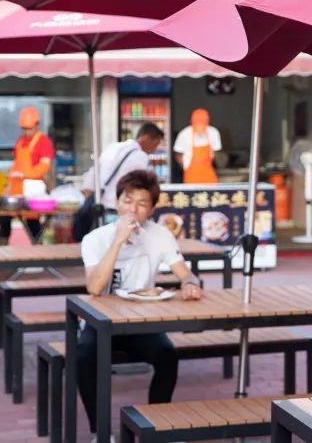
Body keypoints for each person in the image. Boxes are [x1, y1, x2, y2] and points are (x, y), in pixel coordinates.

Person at [78, 169, 202, 440]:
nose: (132, 210)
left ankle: (156, 427)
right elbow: (94, 288)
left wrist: (189, 283)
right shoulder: (95, 239)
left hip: (140, 323)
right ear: (116, 202)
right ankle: (101, 433)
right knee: (84, 356)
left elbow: (186, 273)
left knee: (167, 355)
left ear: (152, 209)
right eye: (127, 200)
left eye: (142, 203)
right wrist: (118, 241)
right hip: (100, 323)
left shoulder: (160, 235)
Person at [81, 123, 165, 212]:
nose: (155, 149)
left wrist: (89, 200)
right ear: (145, 138)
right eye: (155, 144)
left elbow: (91, 175)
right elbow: (139, 185)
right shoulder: (140, 156)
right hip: (118, 209)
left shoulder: (112, 147)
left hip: (98, 208)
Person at [0, 106, 54, 242]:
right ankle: (2, 247)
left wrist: (25, 174)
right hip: (16, 189)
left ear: (37, 125)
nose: (27, 131)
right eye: (24, 128)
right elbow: (16, 163)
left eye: (29, 128)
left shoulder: (44, 142)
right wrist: (9, 185)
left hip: (32, 190)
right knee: (4, 217)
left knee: (32, 223)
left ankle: (37, 249)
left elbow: (45, 166)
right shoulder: (21, 141)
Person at [173, 109, 221, 184]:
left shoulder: (213, 133)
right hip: (190, 175)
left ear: (207, 122)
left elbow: (217, 153)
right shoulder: (184, 134)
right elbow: (178, 154)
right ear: (192, 123)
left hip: (208, 174)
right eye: (197, 125)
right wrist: (185, 167)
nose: (200, 128)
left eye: (202, 125)